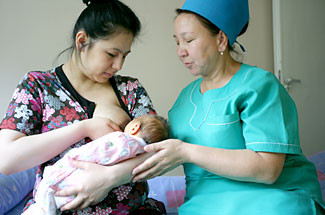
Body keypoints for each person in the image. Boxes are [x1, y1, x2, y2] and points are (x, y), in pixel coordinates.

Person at [132, 0, 325, 214]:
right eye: (177, 42)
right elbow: (162, 157)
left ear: (221, 40)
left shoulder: (259, 85)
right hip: (204, 205)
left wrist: (186, 151)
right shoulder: (183, 102)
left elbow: (267, 170)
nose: (180, 51)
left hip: (272, 198)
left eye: (188, 40)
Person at [0, 0, 166, 214]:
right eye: (111, 54)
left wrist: (109, 178)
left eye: (124, 56)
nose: (119, 65)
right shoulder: (37, 86)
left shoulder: (129, 88)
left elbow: (162, 152)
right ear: (82, 41)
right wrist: (84, 127)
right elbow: (7, 159)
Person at [22, 114, 169, 215]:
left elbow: (93, 152)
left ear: (134, 127)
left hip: (72, 179)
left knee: (46, 200)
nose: (117, 66)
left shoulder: (120, 139)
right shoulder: (140, 151)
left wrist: (72, 157)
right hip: (76, 195)